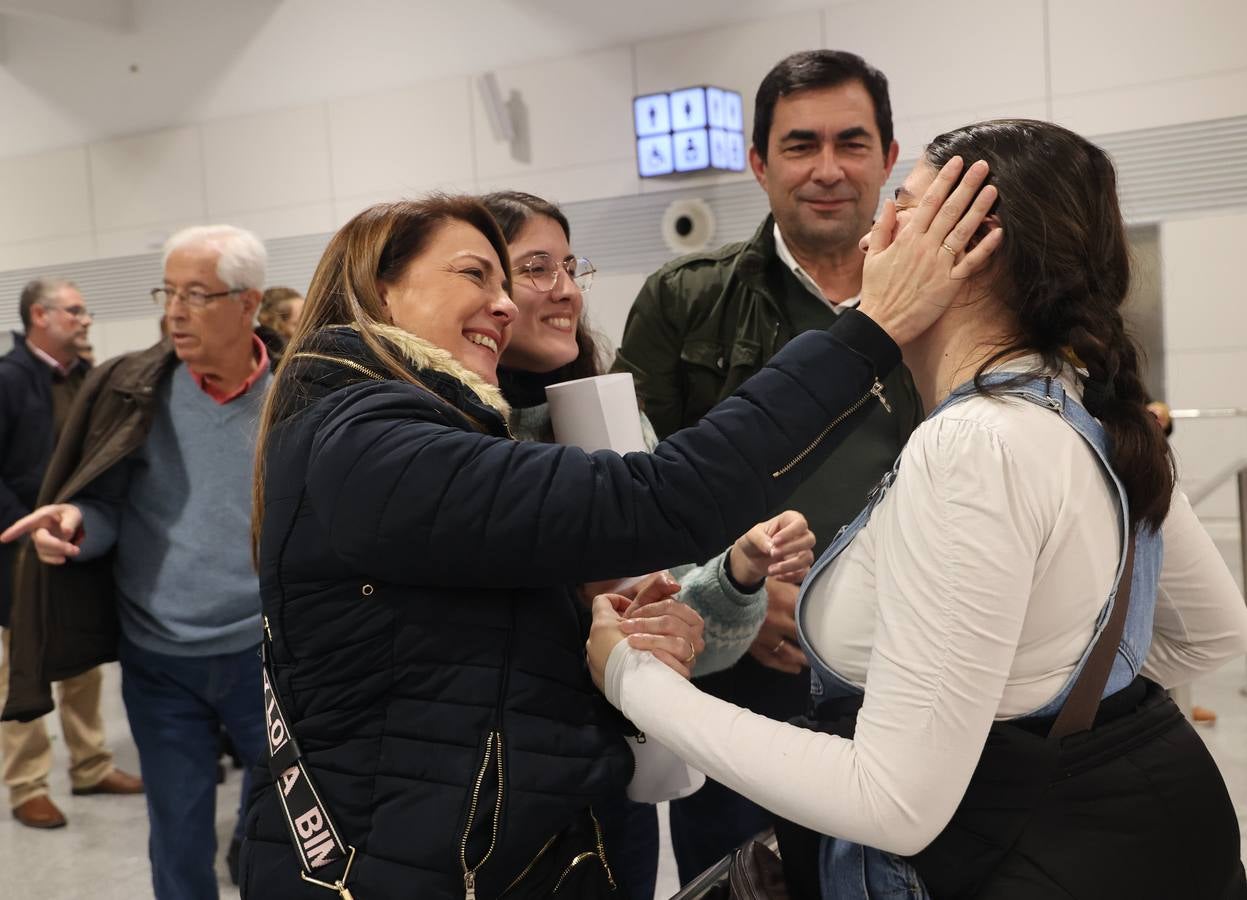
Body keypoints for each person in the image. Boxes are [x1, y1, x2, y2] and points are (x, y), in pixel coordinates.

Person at [233, 180, 992, 899]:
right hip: (403, 864)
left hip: (473, 845)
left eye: (518, 279)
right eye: (478, 274)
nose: (507, 304)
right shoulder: (367, 442)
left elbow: (449, 657)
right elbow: (665, 496)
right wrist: (868, 331)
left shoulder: (395, 429)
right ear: (379, 291)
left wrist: (606, 632)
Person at [589, 122, 1247, 899]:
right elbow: (1211, 630)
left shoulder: (972, 445)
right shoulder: (1085, 405)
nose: (873, 234)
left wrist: (634, 681)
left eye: (899, 209)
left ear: (969, 253)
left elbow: (892, 803)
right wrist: (1022, 693)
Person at [612, 49, 926, 879]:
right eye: (799, 145)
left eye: (851, 143)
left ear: (888, 157)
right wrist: (735, 596)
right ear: (757, 162)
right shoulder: (683, 302)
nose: (827, 169)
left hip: (913, 666)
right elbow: (635, 492)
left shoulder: (944, 293)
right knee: (749, 877)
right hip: (745, 686)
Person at [481, 190, 815, 899]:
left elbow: (695, 638)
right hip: (493, 793)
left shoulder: (603, 417)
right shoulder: (441, 436)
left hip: (603, 776)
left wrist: (738, 573)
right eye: (536, 268)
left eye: (572, 267)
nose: (566, 291)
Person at [1, 226, 278, 899]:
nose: (175, 311)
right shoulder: (135, 388)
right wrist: (74, 523)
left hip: (265, 655)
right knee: (179, 833)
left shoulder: (296, 397)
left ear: (249, 304)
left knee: (281, 823)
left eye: (197, 295)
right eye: (168, 292)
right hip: (161, 660)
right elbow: (108, 507)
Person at [0, 279, 142, 830]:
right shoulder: (8, 380)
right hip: (20, 549)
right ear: (40, 315)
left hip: (80, 539)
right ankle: (27, 783)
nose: (85, 320)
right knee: (25, 664)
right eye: (75, 311)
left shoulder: (87, 376)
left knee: (83, 658)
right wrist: (23, 527)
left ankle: (90, 765)